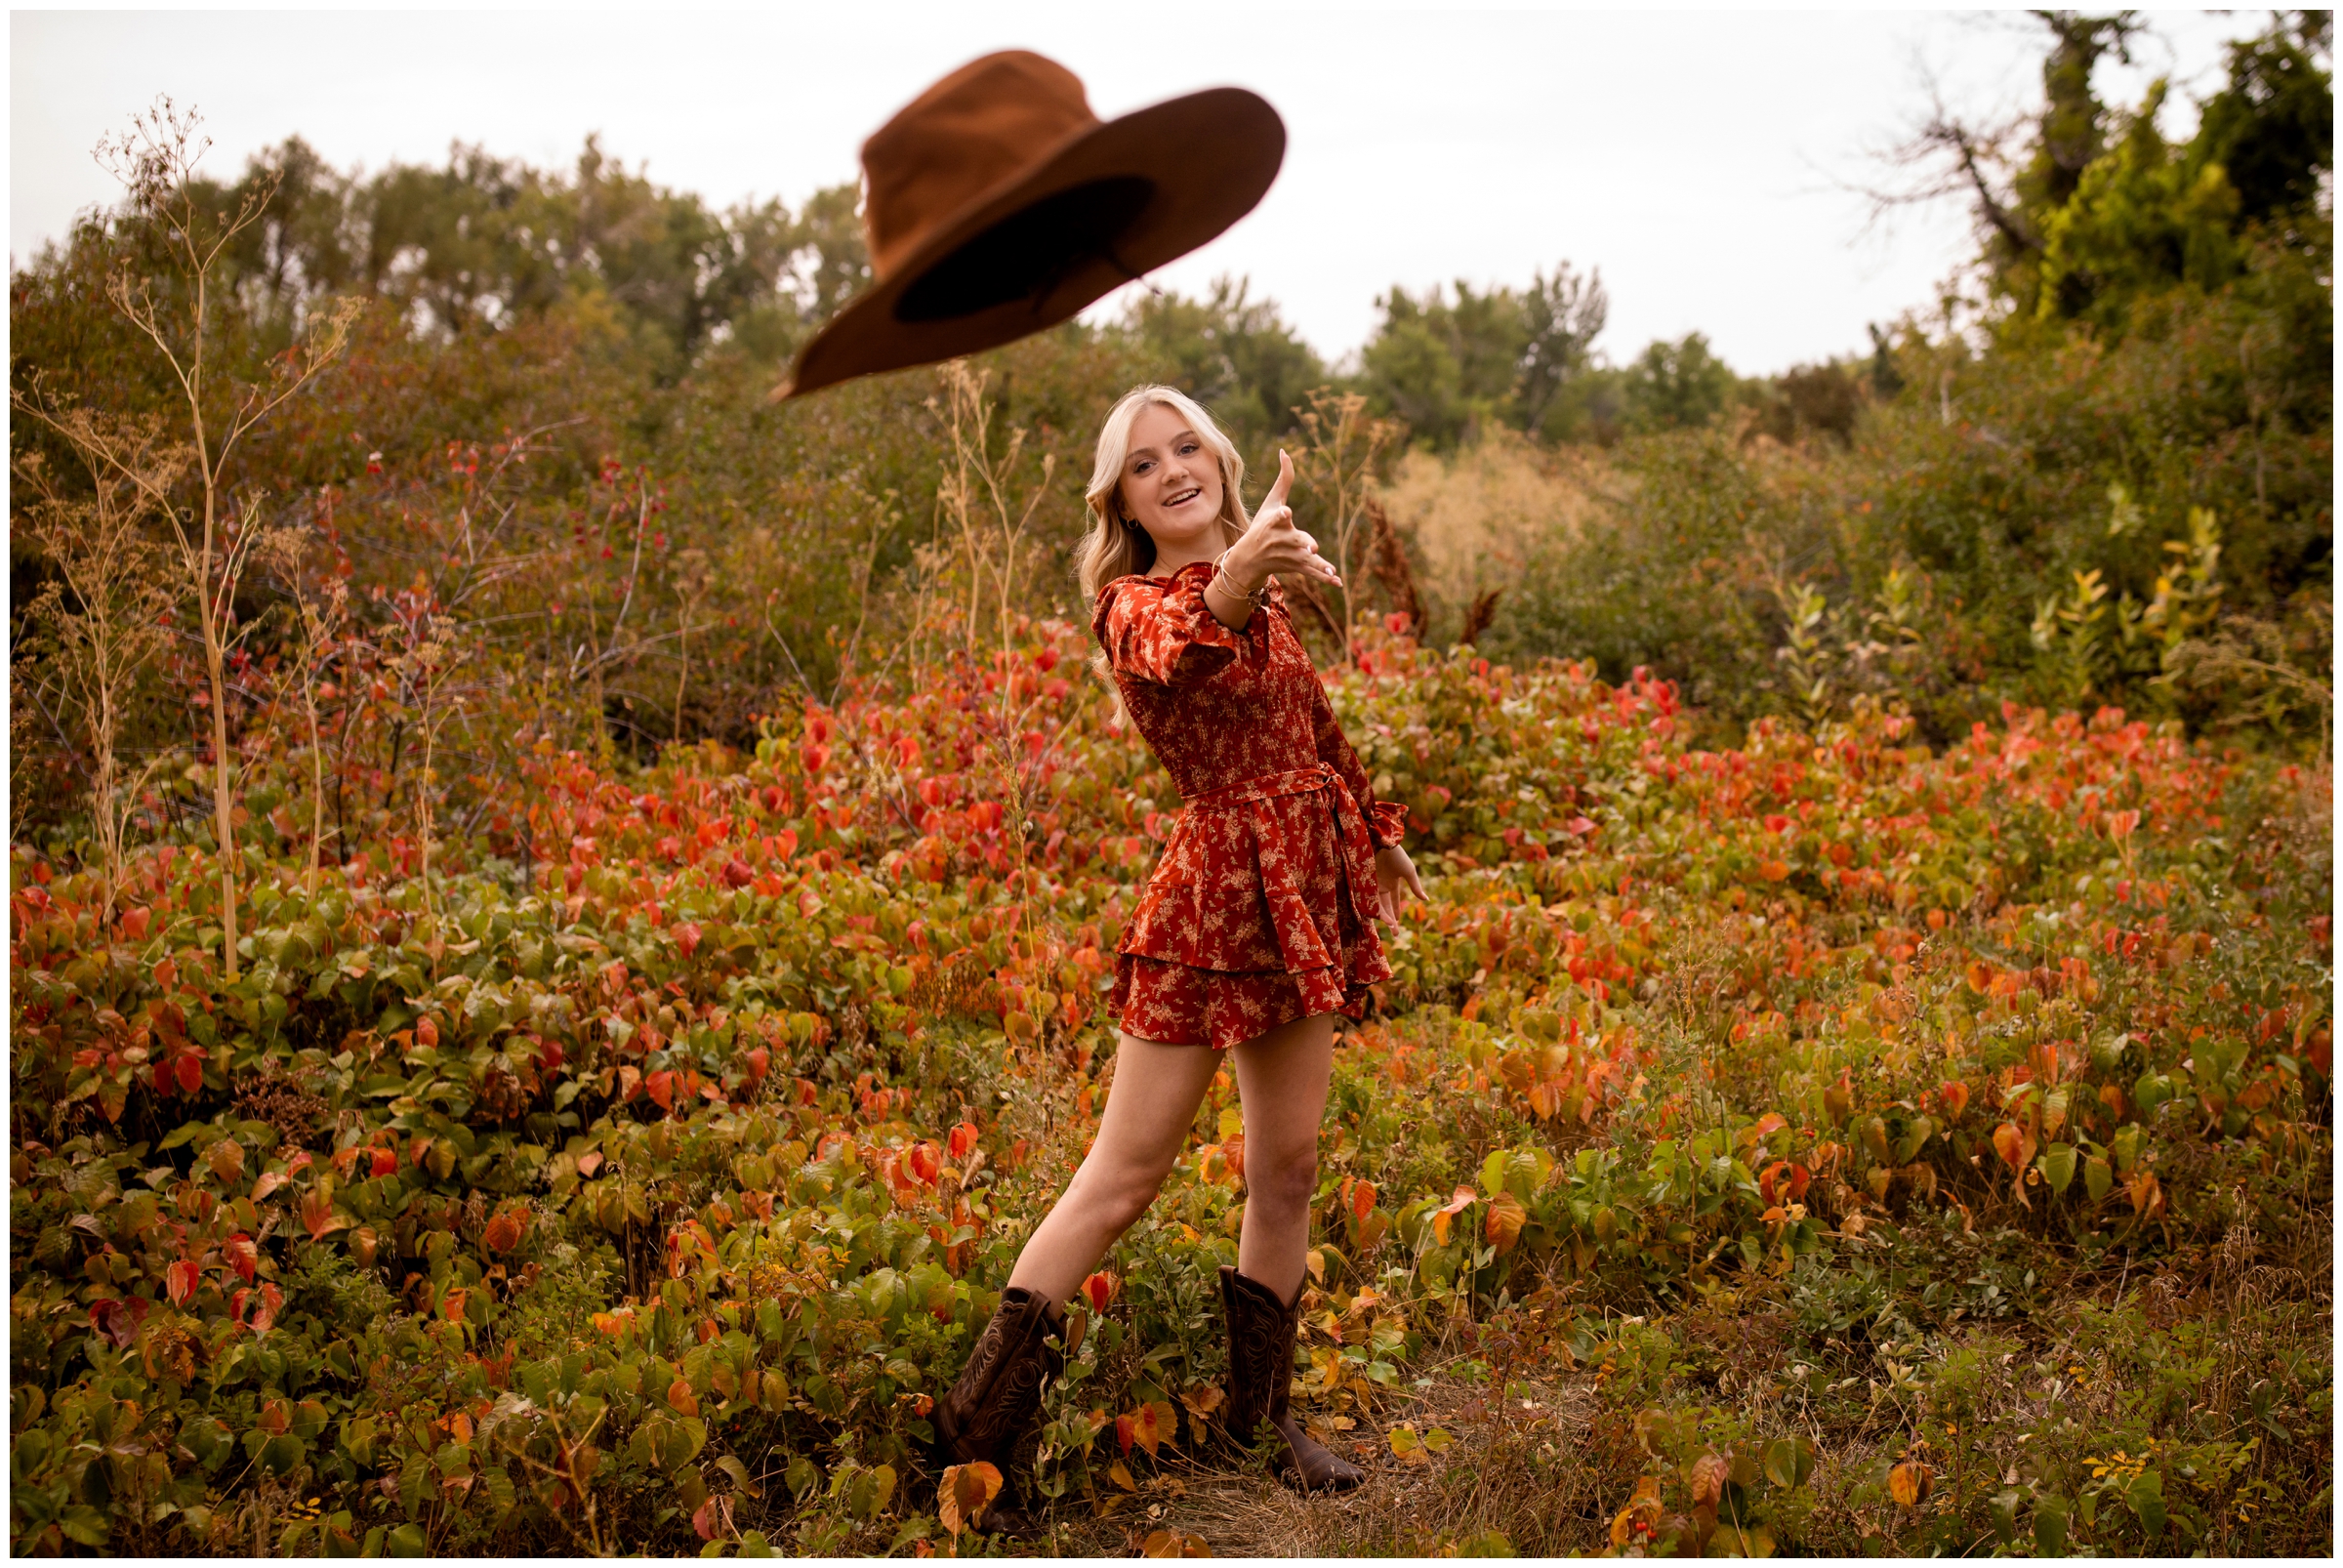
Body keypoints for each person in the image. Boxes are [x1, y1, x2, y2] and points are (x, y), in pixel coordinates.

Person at [932, 385, 1425, 1523]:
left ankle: (1259, 1424)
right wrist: (1242, 573)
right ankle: (974, 1434)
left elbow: (1314, 726)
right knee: (1124, 1177)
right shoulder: (1132, 604)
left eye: (1186, 445)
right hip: (1210, 910)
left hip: (1299, 891)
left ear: (1219, 457)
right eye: (1145, 464)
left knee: (1287, 1166)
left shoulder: (1269, 585)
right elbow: (1185, 650)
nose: (1173, 469)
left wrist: (1379, 837)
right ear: (1128, 502)